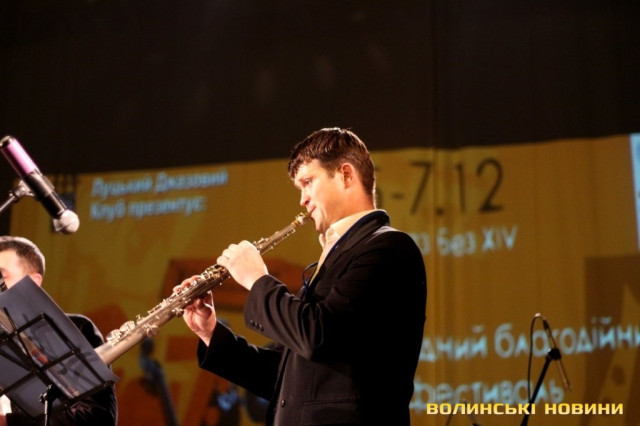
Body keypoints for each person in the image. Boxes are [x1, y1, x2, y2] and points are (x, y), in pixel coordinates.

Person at [181, 127, 427, 425]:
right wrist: (210, 332)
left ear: (346, 175)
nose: (303, 199)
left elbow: (317, 335)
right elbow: (283, 376)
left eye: (308, 182)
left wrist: (257, 280)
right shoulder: (334, 257)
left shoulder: (388, 247)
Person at [0, 236, 118, 426]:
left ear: (32, 282)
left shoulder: (78, 328)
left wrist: (9, 422)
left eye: (1, 276)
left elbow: (97, 418)